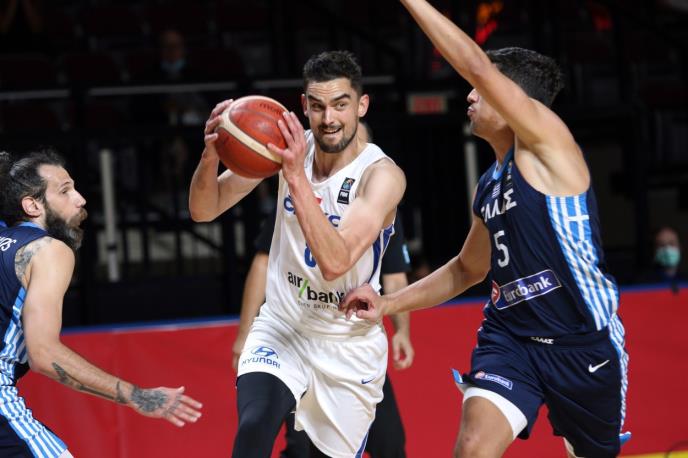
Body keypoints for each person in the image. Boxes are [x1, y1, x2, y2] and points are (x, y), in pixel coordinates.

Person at [341, 2, 630, 457]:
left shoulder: (548, 146)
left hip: (581, 342)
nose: (471, 95)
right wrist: (388, 304)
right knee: (473, 447)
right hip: (511, 338)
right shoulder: (490, 184)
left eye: (482, 88)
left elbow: (475, 63)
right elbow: (466, 270)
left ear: (514, 100)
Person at [189, 50, 406, 458]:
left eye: (340, 104)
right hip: (284, 326)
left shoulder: (381, 176)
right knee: (254, 427)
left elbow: (336, 262)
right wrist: (212, 154)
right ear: (304, 105)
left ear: (362, 105)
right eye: (318, 106)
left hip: (346, 343)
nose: (329, 118)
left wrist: (294, 177)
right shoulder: (287, 150)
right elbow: (204, 209)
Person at [0, 150, 202, 457]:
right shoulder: (46, 249)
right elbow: (43, 354)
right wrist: (137, 396)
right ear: (32, 205)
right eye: (65, 191)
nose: (80, 199)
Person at [232, 210, 414, 458]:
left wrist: (402, 330)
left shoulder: (379, 198)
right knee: (283, 437)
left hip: (350, 344)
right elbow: (263, 261)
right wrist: (244, 333)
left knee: (390, 442)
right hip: (296, 336)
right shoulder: (298, 196)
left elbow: (395, 274)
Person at [638, 226, 684, 291]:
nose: (667, 249)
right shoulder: (643, 283)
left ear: (680, 247)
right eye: (661, 245)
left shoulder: (685, 280)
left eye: (672, 243)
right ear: (654, 250)